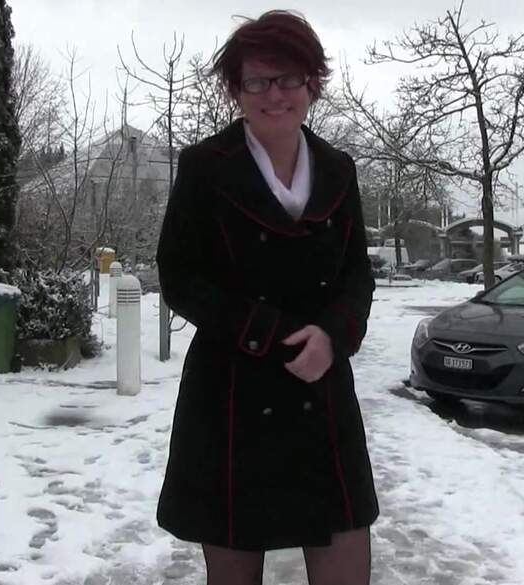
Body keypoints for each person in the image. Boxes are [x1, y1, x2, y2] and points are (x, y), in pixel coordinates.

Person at [155, 10, 378, 585]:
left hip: (320, 393)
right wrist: (267, 332)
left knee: (346, 559)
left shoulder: (338, 169)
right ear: (236, 90)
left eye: (288, 78)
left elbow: (357, 274)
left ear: (312, 84)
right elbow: (179, 275)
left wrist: (333, 335)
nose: (274, 94)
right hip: (232, 395)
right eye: (256, 81)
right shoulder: (205, 167)